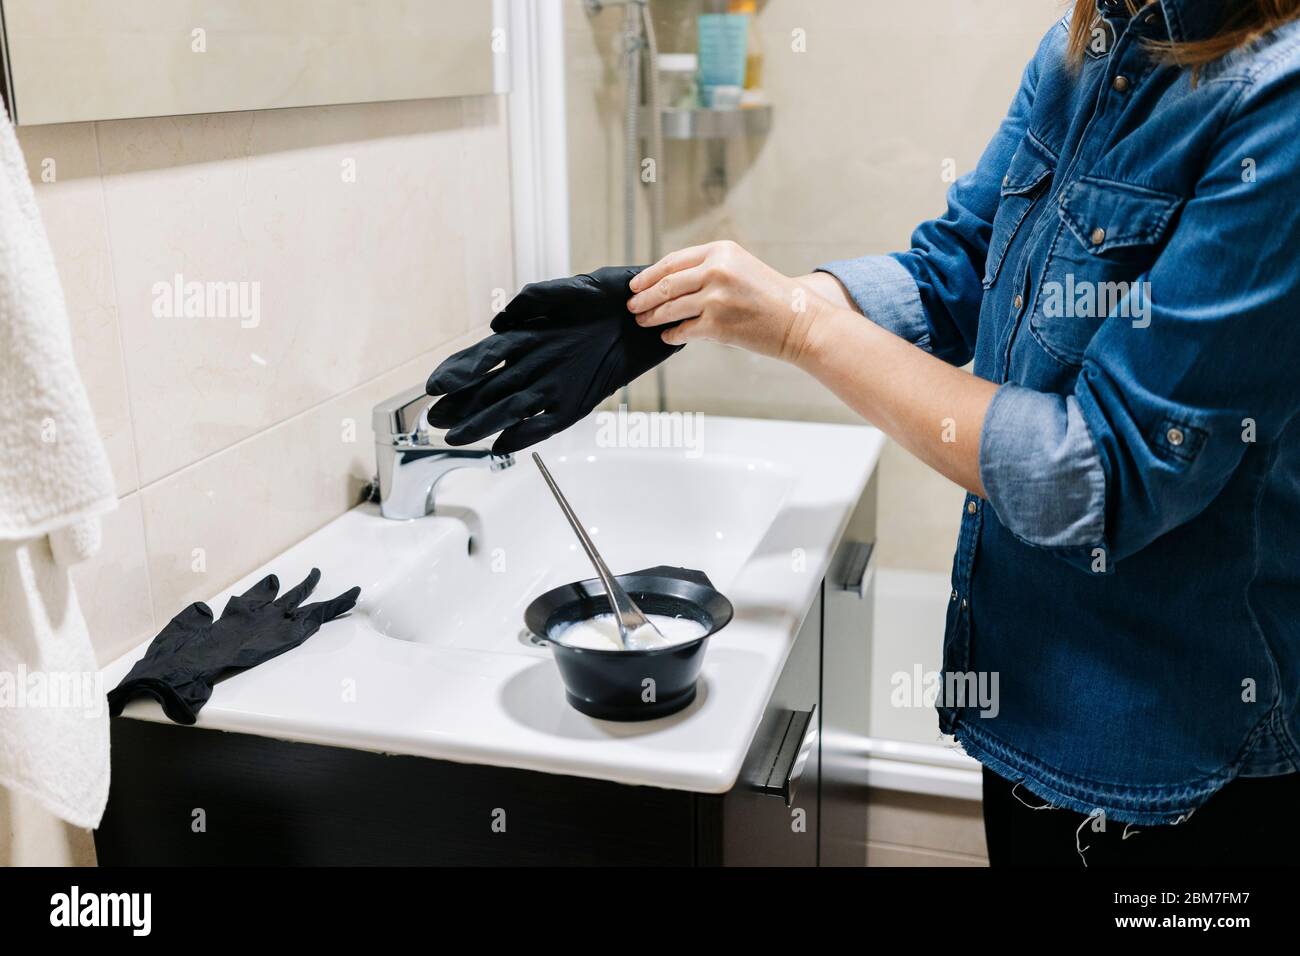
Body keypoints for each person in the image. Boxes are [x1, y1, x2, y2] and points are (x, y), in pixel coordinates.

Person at [427, 0, 1300, 866]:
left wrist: (799, 330)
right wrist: (701, 308)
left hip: (1184, 766)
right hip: (1037, 711)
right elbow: (953, 268)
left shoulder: (1277, 97)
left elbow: (1103, 473)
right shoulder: (1090, 43)